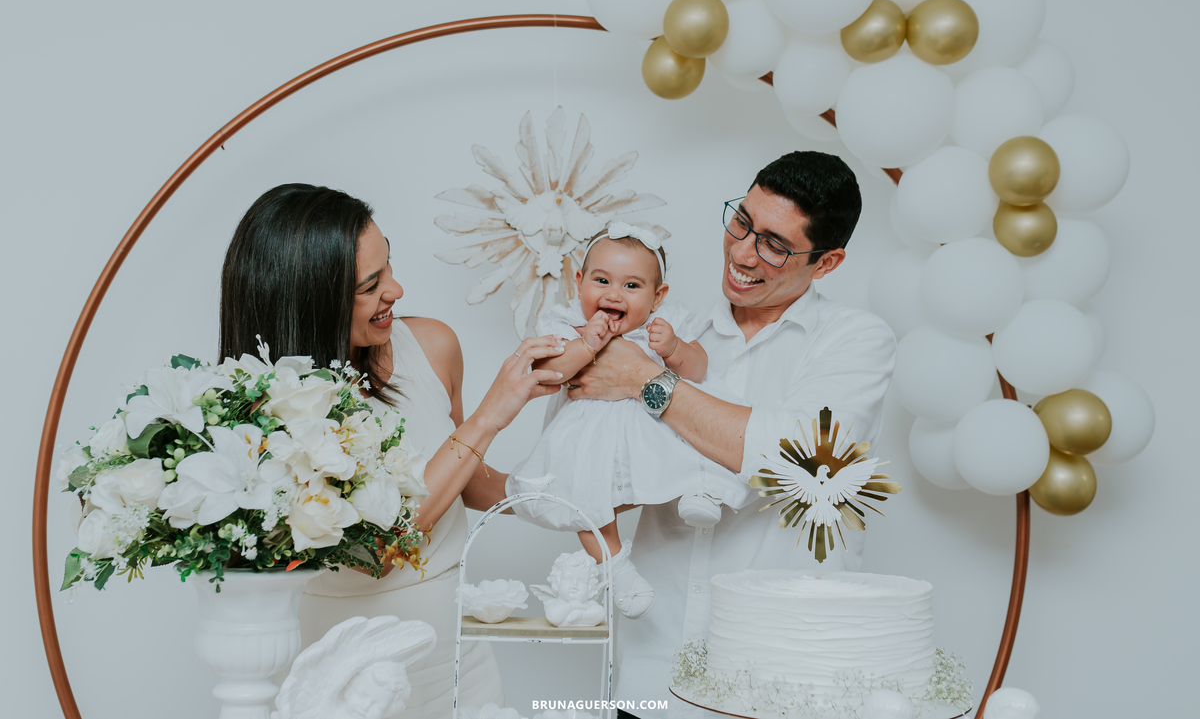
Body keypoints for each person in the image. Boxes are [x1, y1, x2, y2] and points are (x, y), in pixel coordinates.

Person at [564, 152, 898, 718]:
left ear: (826, 262)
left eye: (774, 245)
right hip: (653, 668)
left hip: (778, 677)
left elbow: (797, 458)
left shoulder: (857, 342)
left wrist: (649, 383)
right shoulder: (677, 335)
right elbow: (609, 468)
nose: (743, 252)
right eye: (741, 222)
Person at [220, 183, 566, 718]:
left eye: (390, 268)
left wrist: (552, 498)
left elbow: (456, 474)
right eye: (370, 284)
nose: (397, 290)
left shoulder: (430, 346)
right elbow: (377, 552)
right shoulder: (263, 416)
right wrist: (492, 415)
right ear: (310, 300)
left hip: (457, 652)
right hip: (348, 670)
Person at [506, 223, 753, 620]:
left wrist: (673, 349)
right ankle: (616, 569)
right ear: (579, 280)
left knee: (699, 421)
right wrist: (586, 344)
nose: (613, 294)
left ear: (658, 298)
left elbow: (699, 370)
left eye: (632, 286)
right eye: (601, 280)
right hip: (587, 432)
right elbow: (552, 372)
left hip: (651, 425)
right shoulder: (564, 321)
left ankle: (702, 491)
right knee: (580, 496)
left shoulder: (667, 322)